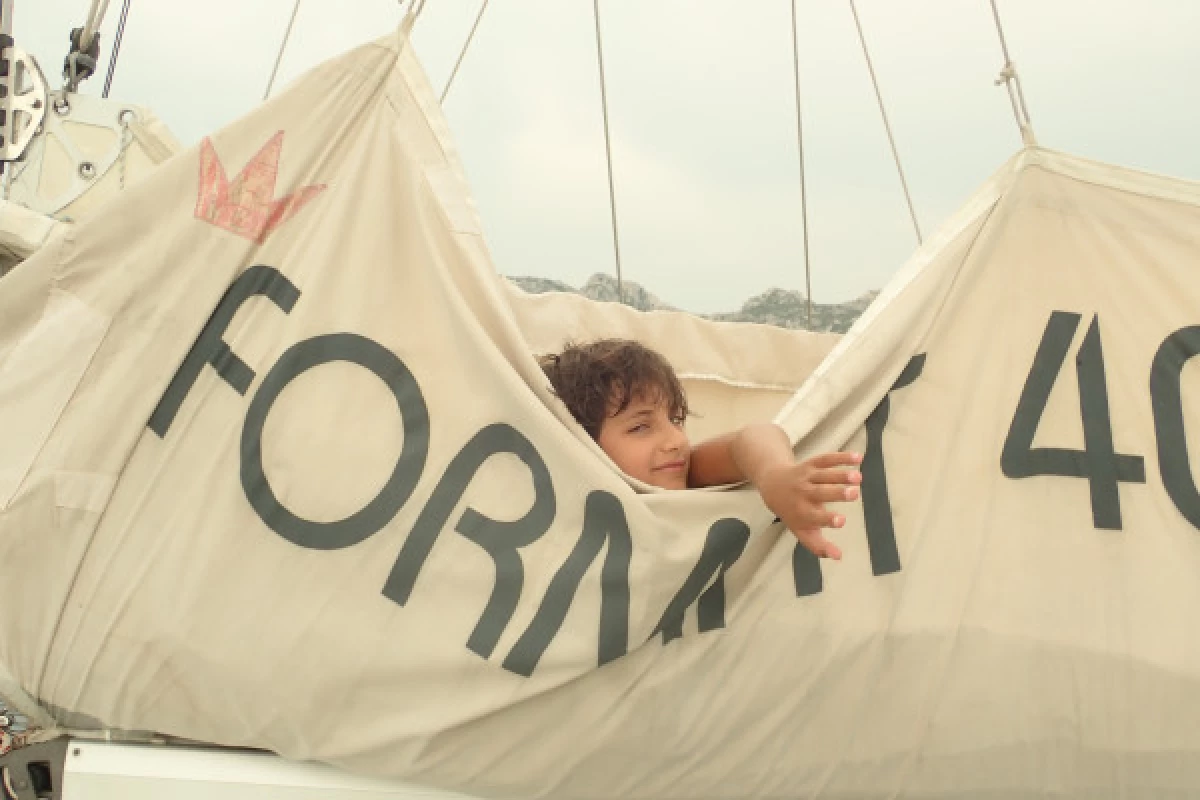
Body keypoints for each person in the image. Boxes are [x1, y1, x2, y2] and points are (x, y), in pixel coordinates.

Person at [539, 339, 862, 560]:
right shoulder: (555, 516)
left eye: (675, 419)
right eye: (640, 427)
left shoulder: (686, 473)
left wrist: (774, 475)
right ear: (578, 441)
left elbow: (750, 440)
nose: (676, 441)